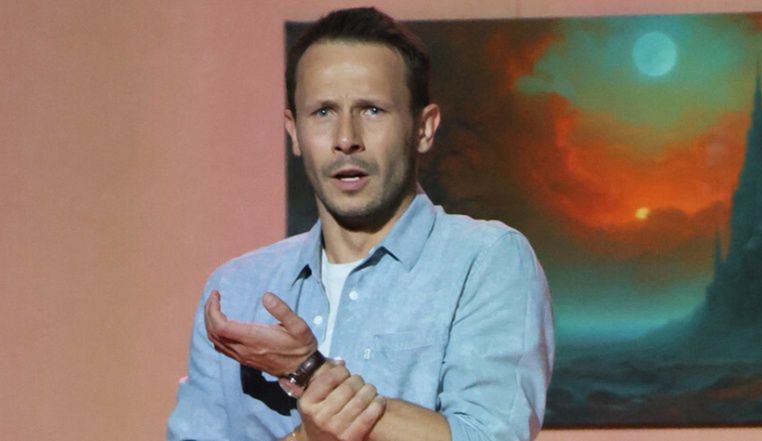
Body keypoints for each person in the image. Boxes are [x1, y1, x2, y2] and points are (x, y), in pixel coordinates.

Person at [168, 7, 554, 441]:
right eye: (323, 112)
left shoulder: (485, 261)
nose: (346, 138)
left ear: (424, 128)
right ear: (293, 131)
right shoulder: (237, 289)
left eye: (372, 110)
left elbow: (489, 437)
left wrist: (308, 370)